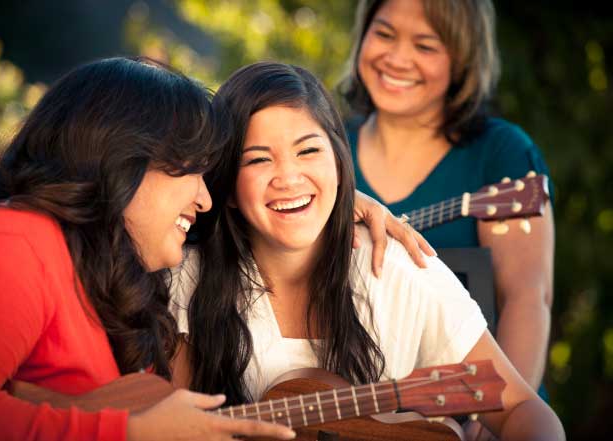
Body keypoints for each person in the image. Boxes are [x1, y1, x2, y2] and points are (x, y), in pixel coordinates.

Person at [168, 61, 565, 440]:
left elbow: (519, 408)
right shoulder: (189, 278)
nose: (288, 177)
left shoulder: (398, 270)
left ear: (339, 163)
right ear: (228, 187)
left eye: (308, 151)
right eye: (257, 160)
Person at [0, 57, 299, 441]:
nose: (205, 199)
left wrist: (339, 207)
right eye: (193, 170)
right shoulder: (13, 241)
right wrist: (130, 432)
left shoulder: (108, 271)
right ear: (122, 159)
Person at [338, 0, 555, 414]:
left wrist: (493, 417)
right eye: (383, 34)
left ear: (462, 58)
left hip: (473, 409)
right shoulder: (325, 146)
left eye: (425, 45)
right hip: (361, 410)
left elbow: (527, 298)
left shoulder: (503, 153)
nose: (398, 58)